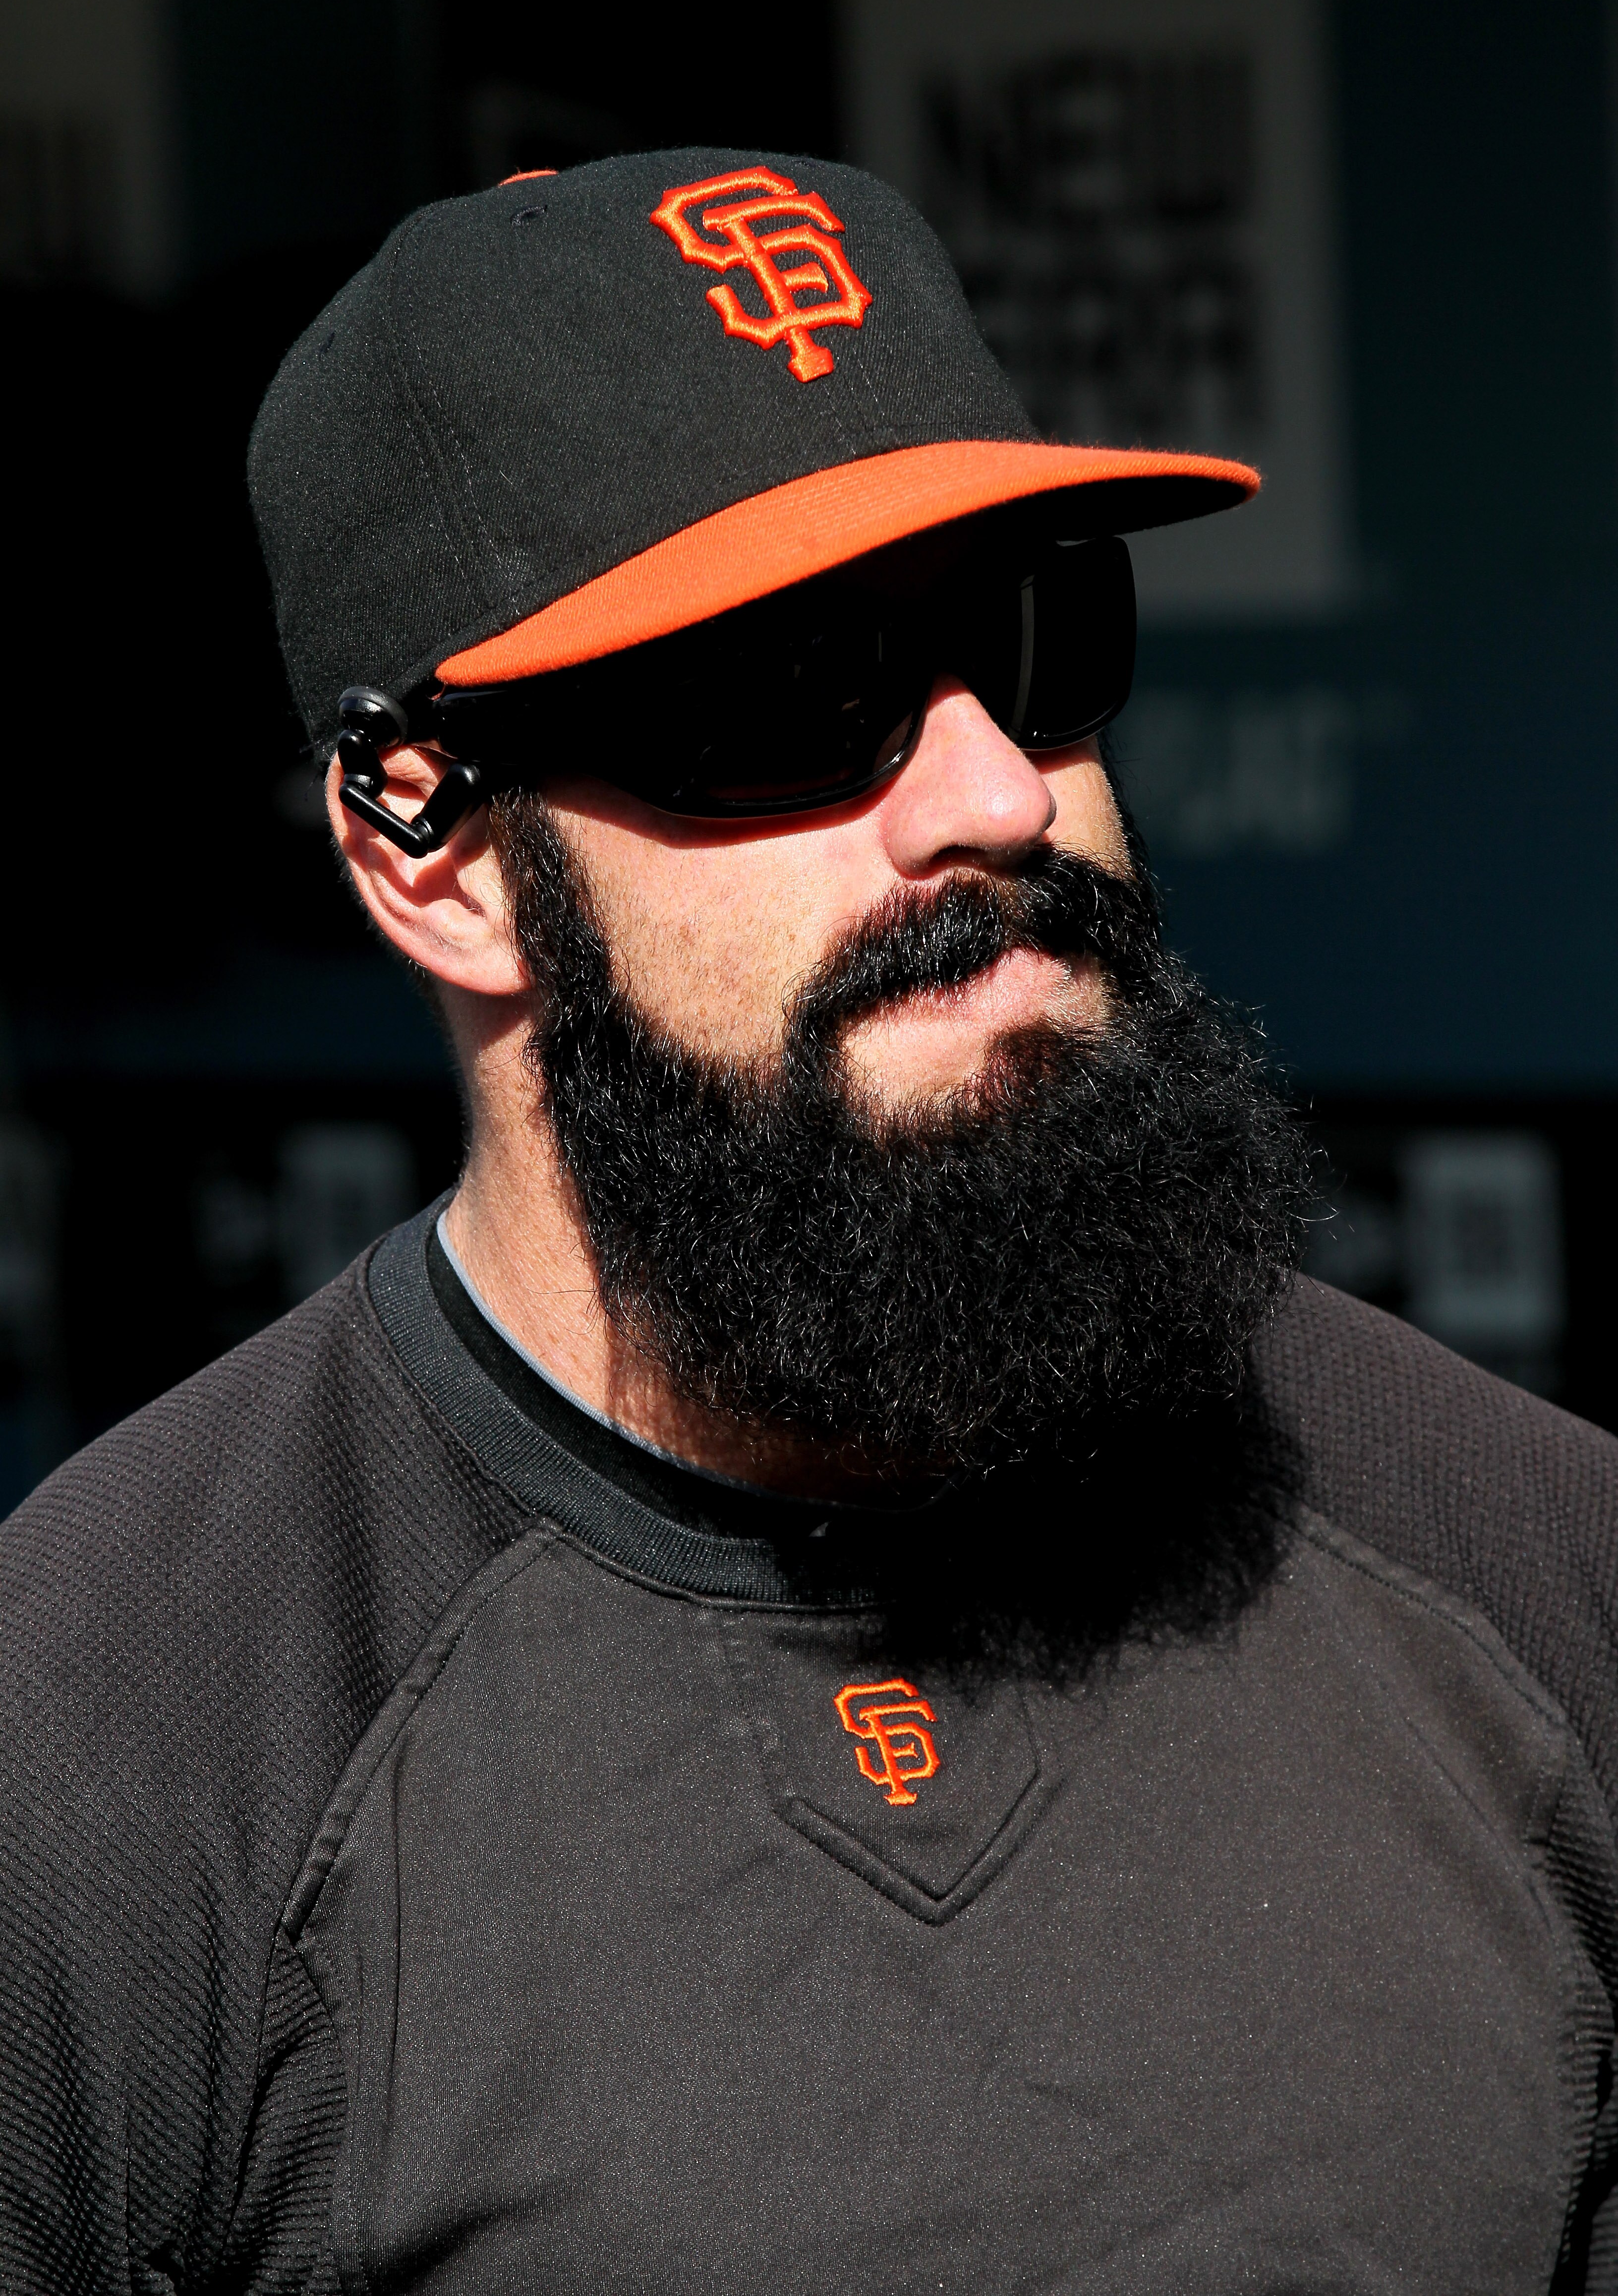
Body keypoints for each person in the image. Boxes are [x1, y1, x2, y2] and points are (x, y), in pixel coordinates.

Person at [2, 148, 1616, 2296]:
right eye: (785, 694)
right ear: (435, 853)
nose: (994, 794)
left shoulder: (1530, 1567)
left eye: (1037, 643)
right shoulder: (105, 1745)